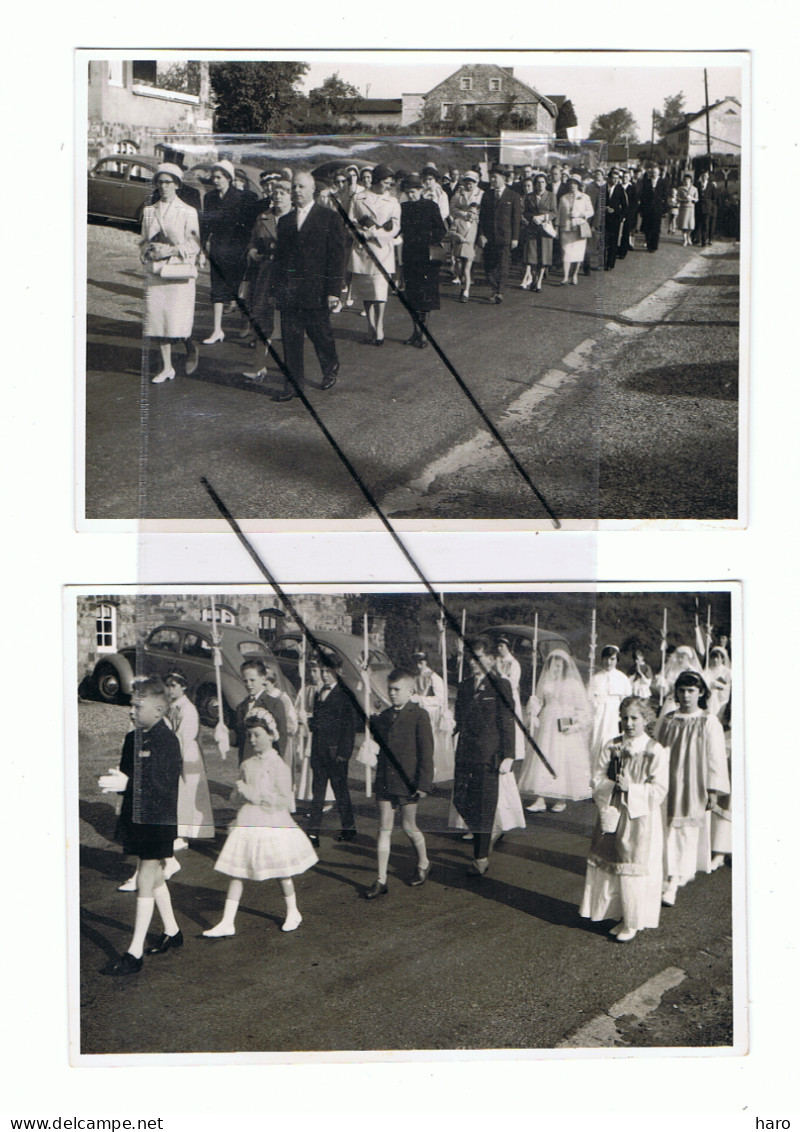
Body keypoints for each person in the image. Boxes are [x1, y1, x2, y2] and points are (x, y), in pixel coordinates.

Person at [202, 709, 318, 937]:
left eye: (257, 735)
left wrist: (253, 794)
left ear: (271, 735)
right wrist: (238, 792)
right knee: (237, 871)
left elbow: (283, 800)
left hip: (272, 821)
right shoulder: (248, 764)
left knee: (282, 870)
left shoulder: (279, 766)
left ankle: (293, 911)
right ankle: (227, 921)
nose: (253, 740)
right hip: (249, 819)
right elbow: (237, 797)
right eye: (250, 736)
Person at [98, 676, 183, 974]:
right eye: (131, 705)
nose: (131, 711)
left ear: (159, 710)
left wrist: (130, 783)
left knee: (146, 877)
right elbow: (128, 774)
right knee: (155, 875)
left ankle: (134, 954)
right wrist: (119, 784)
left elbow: (164, 785)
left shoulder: (167, 740)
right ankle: (172, 931)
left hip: (157, 819)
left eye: (138, 705)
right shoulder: (132, 738)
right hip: (137, 817)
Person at [579, 697, 669, 941]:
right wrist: (610, 786)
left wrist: (632, 788)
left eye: (635, 718)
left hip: (640, 816)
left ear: (646, 719)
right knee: (610, 862)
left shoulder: (654, 751)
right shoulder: (611, 746)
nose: (629, 723)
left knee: (632, 866)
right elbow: (597, 777)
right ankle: (617, 914)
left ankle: (633, 920)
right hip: (613, 811)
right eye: (625, 717)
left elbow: (660, 789)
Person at [269, 171, 344, 402]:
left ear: (312, 190)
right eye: (294, 187)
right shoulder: (285, 221)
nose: (297, 191)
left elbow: (337, 256)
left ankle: (330, 365)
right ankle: (292, 385)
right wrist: (275, 290)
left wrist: (333, 291)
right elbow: (280, 260)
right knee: (291, 338)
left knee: (320, 333)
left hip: (317, 289)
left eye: (301, 187)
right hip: (290, 291)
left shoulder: (329, 218)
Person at [655, 671, 729, 905]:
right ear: (675, 692)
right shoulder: (667, 719)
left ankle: (673, 880)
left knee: (684, 833)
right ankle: (663, 875)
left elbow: (715, 757)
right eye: (682, 691)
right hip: (666, 783)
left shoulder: (709, 721)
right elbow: (655, 750)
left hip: (693, 784)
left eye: (691, 691)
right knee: (664, 830)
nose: (686, 696)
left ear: (701, 693)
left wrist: (713, 790)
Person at [363, 668, 435, 897]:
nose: (392, 694)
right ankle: (381, 879)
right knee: (384, 828)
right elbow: (377, 736)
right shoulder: (385, 716)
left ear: (410, 690)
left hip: (408, 781)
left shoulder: (419, 715)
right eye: (390, 689)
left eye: (397, 689)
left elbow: (426, 752)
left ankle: (423, 862)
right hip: (385, 779)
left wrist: (423, 783)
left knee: (407, 826)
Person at [453, 637, 516, 875]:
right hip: (465, 753)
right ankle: (487, 832)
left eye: (478, 658)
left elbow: (507, 722)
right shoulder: (464, 686)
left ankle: (480, 858)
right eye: (470, 657)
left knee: (484, 806)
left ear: (491, 659)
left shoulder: (501, 685)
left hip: (489, 756)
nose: (472, 662)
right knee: (460, 799)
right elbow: (460, 718)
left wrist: (508, 755)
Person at [139, 163, 200, 384]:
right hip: (156, 272)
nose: (163, 186)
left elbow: (194, 245)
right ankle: (167, 367)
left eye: (168, 182)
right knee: (158, 321)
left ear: (177, 184)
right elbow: (143, 242)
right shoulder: (148, 211)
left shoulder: (188, 211)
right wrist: (147, 252)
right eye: (160, 182)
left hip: (178, 273)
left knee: (176, 321)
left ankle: (189, 343)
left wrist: (171, 250)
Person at [523, 648, 592, 812]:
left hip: (565, 724)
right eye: (554, 665)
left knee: (563, 758)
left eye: (560, 665)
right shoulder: (547, 682)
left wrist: (576, 725)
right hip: (548, 723)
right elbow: (539, 700)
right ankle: (540, 797)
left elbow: (584, 709)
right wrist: (533, 710)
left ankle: (561, 798)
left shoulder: (573, 684)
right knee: (544, 756)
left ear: (566, 667)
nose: (556, 668)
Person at [241, 178, 292, 382]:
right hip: (265, 273)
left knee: (288, 321)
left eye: (284, 192)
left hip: (289, 275)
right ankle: (259, 365)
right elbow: (252, 241)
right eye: (276, 192)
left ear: (291, 196)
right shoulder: (263, 217)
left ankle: (292, 368)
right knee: (263, 317)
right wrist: (253, 252)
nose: (278, 196)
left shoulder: (297, 219)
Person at [200, 160, 253, 344]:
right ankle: (217, 330)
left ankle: (245, 321)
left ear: (229, 178)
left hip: (238, 249)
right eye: (213, 177)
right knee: (217, 289)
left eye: (219, 177)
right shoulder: (209, 198)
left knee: (238, 287)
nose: (215, 181)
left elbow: (248, 227)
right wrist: (202, 249)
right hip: (217, 248)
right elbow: (205, 225)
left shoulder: (243, 197)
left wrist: (248, 248)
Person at [347, 164, 401, 346]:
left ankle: (379, 327)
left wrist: (376, 234)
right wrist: (359, 233)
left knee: (379, 291)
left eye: (390, 183)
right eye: (386, 183)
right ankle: (370, 326)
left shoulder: (393, 201)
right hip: (362, 250)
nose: (388, 186)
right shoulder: (358, 198)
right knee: (366, 292)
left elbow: (396, 227)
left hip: (381, 250)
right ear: (376, 181)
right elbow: (350, 222)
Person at [306, 657, 358, 846]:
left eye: (329, 672)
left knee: (340, 791)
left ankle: (349, 827)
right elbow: (318, 726)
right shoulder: (319, 694)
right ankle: (313, 834)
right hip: (319, 753)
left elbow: (349, 728)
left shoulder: (345, 695)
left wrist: (344, 753)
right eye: (323, 671)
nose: (325, 675)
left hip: (337, 754)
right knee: (317, 793)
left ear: (338, 672)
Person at [166, 670, 215, 847]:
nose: (170, 689)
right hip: (176, 752)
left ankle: (185, 836)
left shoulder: (188, 709)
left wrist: (171, 753)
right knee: (178, 796)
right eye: (168, 686)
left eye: (173, 685)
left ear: (183, 686)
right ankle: (178, 832)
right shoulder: (171, 707)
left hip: (186, 755)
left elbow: (184, 736)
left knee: (188, 795)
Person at [399, 173, 448, 348]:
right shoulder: (403, 207)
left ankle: (424, 334)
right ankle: (415, 332)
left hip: (427, 258)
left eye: (412, 192)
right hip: (410, 256)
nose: (410, 195)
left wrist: (427, 238)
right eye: (407, 192)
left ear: (420, 190)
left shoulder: (431, 206)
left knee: (425, 297)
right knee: (412, 295)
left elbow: (441, 230)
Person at [477, 164, 521, 303]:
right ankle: (494, 288)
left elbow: (516, 219)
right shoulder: (487, 195)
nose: (493, 180)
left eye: (495, 177)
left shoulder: (513, 196)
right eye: (491, 177)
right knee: (489, 265)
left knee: (503, 265)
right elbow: (482, 217)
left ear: (503, 178)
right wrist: (482, 234)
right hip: (489, 237)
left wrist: (515, 238)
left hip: (505, 237)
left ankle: (499, 292)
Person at [412, 649, 455, 781]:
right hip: (419, 712)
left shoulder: (434, 678)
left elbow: (440, 699)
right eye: (416, 662)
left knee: (431, 744)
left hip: (432, 714)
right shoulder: (416, 677)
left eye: (421, 662)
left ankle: (432, 774)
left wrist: (421, 699)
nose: (419, 665)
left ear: (426, 662)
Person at [234, 659, 287, 766]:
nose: (248, 684)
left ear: (263, 679)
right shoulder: (241, 707)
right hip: (246, 761)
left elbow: (281, 739)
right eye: (245, 681)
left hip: (266, 763)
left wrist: (277, 764)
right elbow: (239, 737)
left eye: (252, 680)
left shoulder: (274, 704)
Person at [588, 645, 633, 771]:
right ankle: (594, 773)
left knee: (613, 742)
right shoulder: (595, 678)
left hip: (615, 716)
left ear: (617, 660)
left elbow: (627, 702)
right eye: (606, 659)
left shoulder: (623, 679)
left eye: (612, 659)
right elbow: (589, 700)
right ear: (602, 659)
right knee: (596, 743)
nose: (608, 662)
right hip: (599, 715)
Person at [448, 168, 483, 301]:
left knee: (469, 259)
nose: (469, 185)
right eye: (467, 182)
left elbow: (482, 210)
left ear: (476, 183)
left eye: (472, 182)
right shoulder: (459, 193)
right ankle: (462, 277)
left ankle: (467, 284)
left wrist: (473, 216)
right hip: (460, 225)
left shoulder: (481, 193)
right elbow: (453, 207)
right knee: (459, 262)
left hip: (473, 228)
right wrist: (464, 214)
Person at [519, 174, 557, 292]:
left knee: (544, 255)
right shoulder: (530, 196)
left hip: (545, 228)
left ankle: (539, 281)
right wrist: (532, 217)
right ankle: (534, 278)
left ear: (546, 184)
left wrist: (545, 217)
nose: (540, 185)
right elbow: (525, 212)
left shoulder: (551, 196)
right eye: (538, 182)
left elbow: (554, 212)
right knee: (532, 255)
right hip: (533, 228)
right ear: (535, 184)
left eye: (542, 182)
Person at [556, 176, 594, 286]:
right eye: (570, 183)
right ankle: (565, 276)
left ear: (578, 185)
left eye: (575, 183)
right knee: (566, 253)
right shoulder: (563, 198)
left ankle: (574, 275)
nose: (572, 185)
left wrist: (581, 214)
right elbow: (559, 214)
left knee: (578, 254)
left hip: (579, 228)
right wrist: (557, 227)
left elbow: (590, 211)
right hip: (566, 228)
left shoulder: (585, 197)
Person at [654, 644, 704, 716]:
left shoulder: (693, 671)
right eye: (679, 657)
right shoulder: (673, 671)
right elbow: (666, 690)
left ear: (688, 658)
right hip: (672, 701)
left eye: (682, 657)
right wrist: (663, 683)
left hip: (687, 700)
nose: (680, 660)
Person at [638, 165, 669, 252]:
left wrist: (665, 210)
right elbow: (643, 197)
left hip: (658, 209)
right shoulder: (646, 182)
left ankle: (654, 245)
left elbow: (665, 197)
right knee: (647, 227)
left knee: (656, 228)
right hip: (647, 208)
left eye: (656, 172)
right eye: (652, 172)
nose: (654, 174)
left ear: (658, 173)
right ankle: (648, 244)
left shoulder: (662, 182)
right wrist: (641, 209)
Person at [604, 168, 628, 270]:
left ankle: (610, 264)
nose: (615, 180)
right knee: (604, 241)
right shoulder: (603, 188)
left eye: (617, 179)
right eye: (613, 178)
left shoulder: (620, 189)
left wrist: (621, 216)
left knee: (613, 242)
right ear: (609, 178)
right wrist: (605, 208)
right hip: (604, 219)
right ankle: (603, 262)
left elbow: (625, 205)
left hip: (615, 219)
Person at [705, 646, 732, 723]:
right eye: (713, 658)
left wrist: (718, 685)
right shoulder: (708, 671)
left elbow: (728, 686)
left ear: (722, 659)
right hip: (710, 696)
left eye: (717, 658)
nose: (715, 660)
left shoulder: (727, 672)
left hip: (722, 698)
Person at [618, 169, 638, 257]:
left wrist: (629, 214)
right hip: (619, 213)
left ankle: (623, 251)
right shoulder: (618, 187)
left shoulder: (632, 189)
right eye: (623, 177)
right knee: (618, 233)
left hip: (629, 214)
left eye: (626, 177)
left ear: (629, 178)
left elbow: (634, 203)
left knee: (626, 233)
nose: (624, 178)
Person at [695, 170, 718, 246]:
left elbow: (714, 197)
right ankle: (697, 239)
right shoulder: (697, 185)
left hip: (707, 208)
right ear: (701, 177)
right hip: (698, 207)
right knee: (698, 223)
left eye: (705, 176)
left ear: (708, 177)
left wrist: (710, 205)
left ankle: (704, 241)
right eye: (703, 176)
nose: (704, 177)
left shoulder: (711, 186)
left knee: (706, 224)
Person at [676, 173, 699, 247]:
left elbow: (697, 199)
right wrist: (683, 199)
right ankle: (685, 240)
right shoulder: (680, 188)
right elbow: (677, 198)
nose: (686, 181)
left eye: (688, 180)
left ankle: (689, 237)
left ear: (691, 181)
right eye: (685, 180)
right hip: (683, 208)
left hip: (691, 208)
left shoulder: (694, 189)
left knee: (690, 225)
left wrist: (692, 199)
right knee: (684, 225)